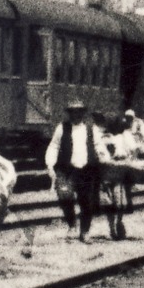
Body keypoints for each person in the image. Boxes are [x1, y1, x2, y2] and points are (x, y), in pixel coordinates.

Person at [44, 101, 103, 243]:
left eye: (78, 112)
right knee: (65, 197)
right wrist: (50, 164)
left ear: (83, 113)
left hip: (86, 170)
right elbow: (54, 146)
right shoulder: (62, 128)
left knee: (86, 202)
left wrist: (102, 155)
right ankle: (71, 225)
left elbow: (98, 145)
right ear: (69, 113)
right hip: (67, 170)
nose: (76, 114)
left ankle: (85, 232)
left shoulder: (91, 128)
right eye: (73, 112)